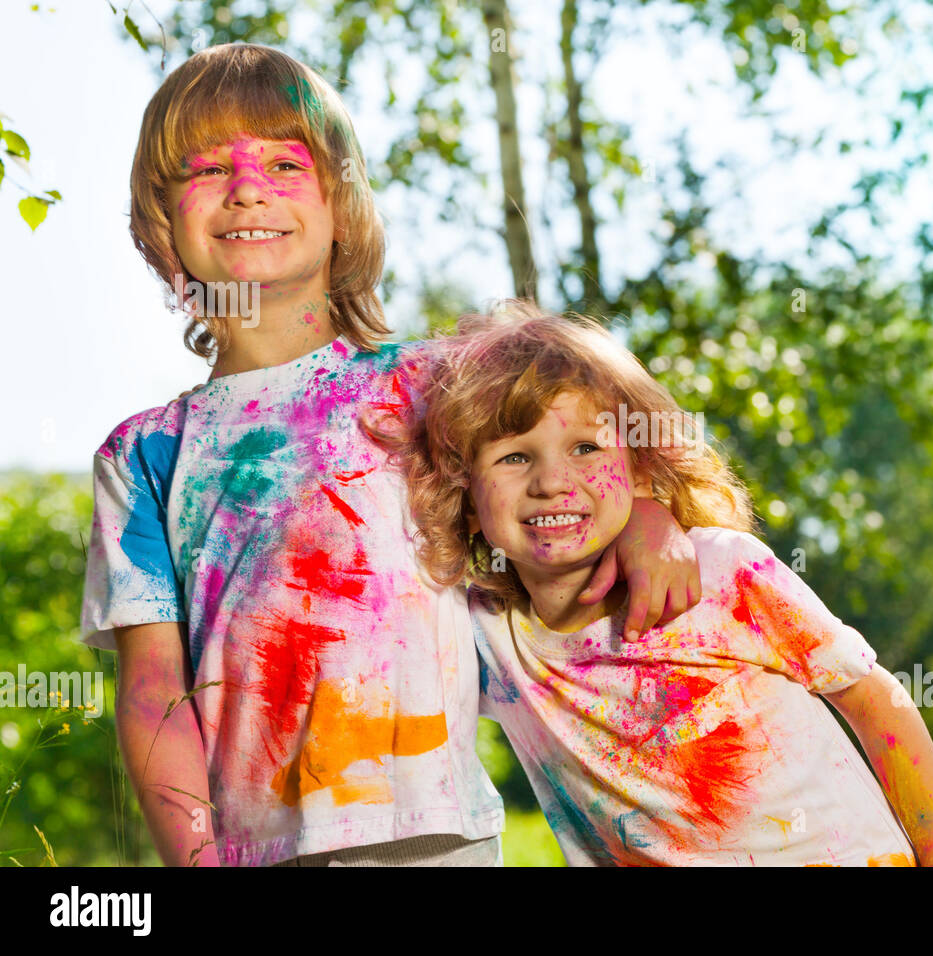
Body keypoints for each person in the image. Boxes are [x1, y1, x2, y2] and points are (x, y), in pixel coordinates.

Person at [80, 44, 698, 867]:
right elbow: (153, 692)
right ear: (161, 221)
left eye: (283, 162)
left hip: (437, 832)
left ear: (342, 207)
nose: (246, 187)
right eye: (205, 168)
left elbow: (577, 471)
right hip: (257, 852)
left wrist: (650, 519)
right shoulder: (144, 454)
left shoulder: (434, 386)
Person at [390, 301, 933, 865]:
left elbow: (875, 699)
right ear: (462, 497)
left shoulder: (722, 571)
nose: (552, 481)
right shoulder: (485, 635)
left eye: (586, 447)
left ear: (639, 465)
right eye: (514, 457)